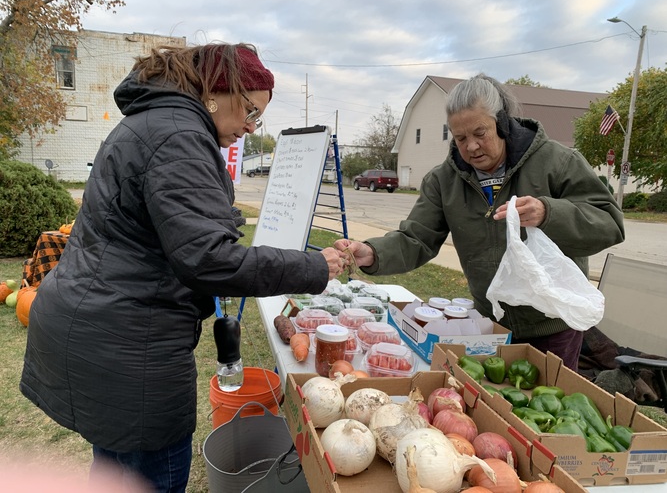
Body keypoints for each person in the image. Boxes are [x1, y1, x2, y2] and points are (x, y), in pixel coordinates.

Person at [20, 43, 348, 492]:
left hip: (101, 331)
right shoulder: (179, 134)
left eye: (259, 118)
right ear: (217, 92)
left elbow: (166, 232)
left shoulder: (155, 122)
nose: (250, 128)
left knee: (117, 473)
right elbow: (208, 260)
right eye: (250, 111)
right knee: (150, 475)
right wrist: (313, 266)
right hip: (128, 346)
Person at [335, 74, 624, 370]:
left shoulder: (557, 161)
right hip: (488, 324)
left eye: (480, 133)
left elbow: (609, 222)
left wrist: (549, 213)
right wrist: (372, 252)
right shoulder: (443, 180)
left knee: (544, 410)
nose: (471, 146)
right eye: (460, 138)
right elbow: (417, 238)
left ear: (501, 123)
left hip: (552, 326)